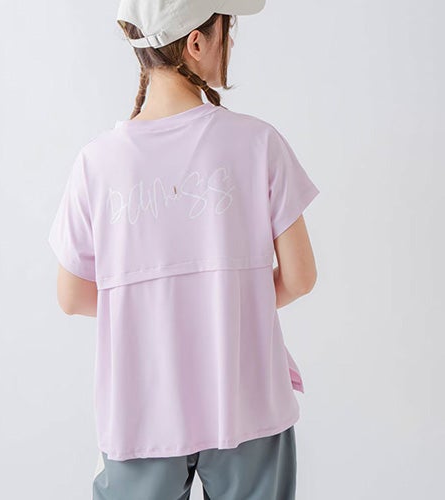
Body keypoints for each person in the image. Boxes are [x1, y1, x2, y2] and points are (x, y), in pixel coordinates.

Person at [47, 1, 320, 498]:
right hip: (248, 399)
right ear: (196, 42)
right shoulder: (258, 142)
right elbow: (300, 277)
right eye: (227, 30)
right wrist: (226, 306)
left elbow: (71, 296)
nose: (230, 42)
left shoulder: (97, 163)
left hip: (140, 414)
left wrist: (155, 311)